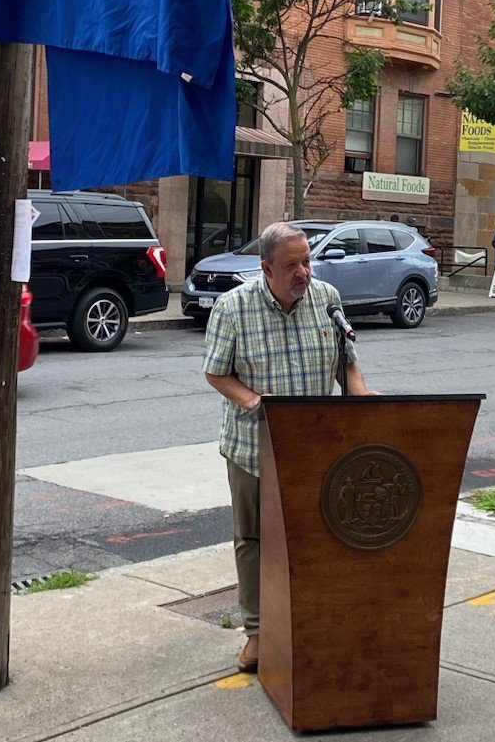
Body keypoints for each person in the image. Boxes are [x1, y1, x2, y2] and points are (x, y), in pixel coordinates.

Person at [203, 222, 376, 674]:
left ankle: (308, 622)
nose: (303, 273)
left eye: (307, 261)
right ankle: (258, 634)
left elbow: (348, 364)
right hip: (252, 447)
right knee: (255, 541)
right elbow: (216, 374)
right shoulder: (232, 308)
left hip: (314, 447)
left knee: (314, 537)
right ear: (266, 268)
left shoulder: (327, 299)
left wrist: (361, 398)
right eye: (292, 265)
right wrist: (255, 403)